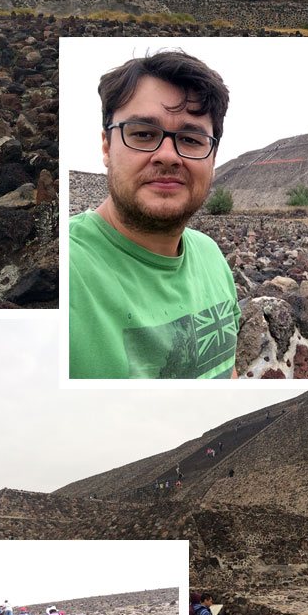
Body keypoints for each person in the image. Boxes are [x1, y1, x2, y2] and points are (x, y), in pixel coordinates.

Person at [69, 50, 240, 380]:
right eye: (143, 134)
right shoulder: (71, 272)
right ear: (106, 146)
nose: (167, 155)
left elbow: (225, 369)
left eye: (190, 139)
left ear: (213, 158)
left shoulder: (212, 257)